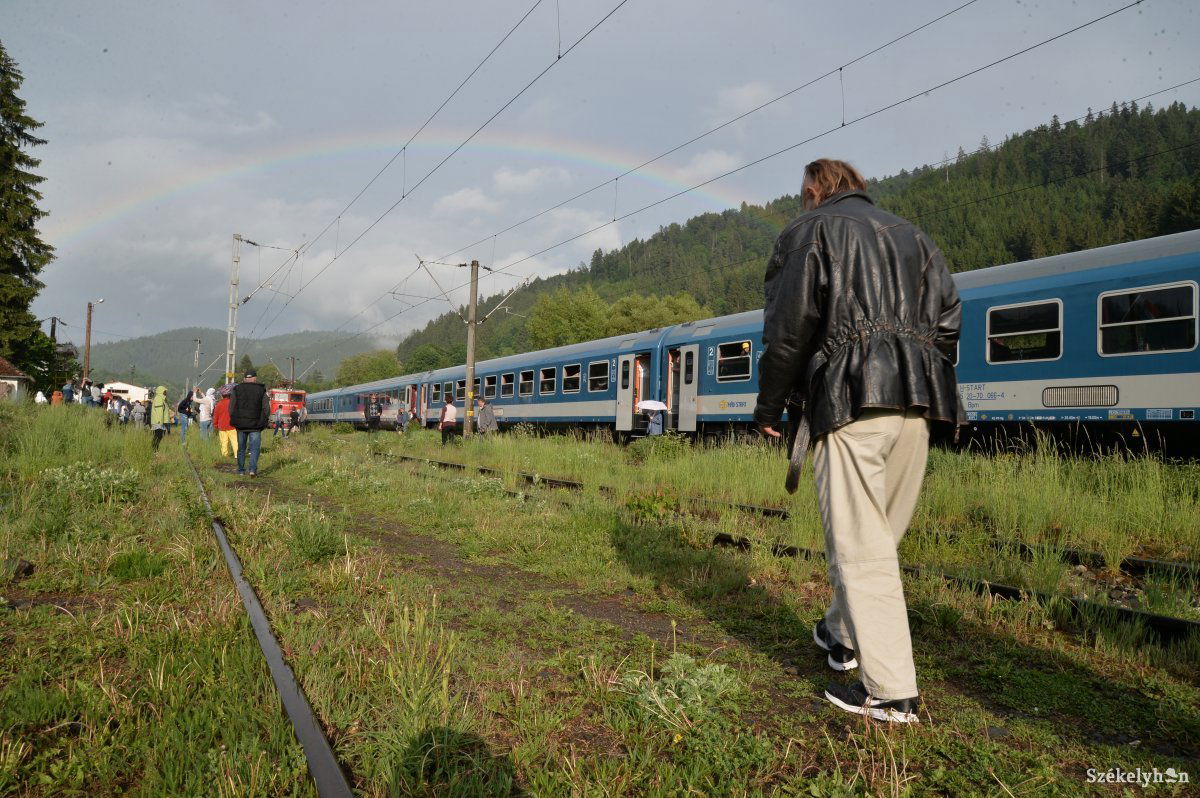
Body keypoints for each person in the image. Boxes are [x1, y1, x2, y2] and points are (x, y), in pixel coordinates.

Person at [754, 158, 961, 724]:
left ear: (816, 190)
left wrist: (771, 404)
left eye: (803, 194)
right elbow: (948, 324)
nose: (802, 203)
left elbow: (789, 328)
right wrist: (919, 371)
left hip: (851, 400)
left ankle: (891, 693)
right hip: (916, 406)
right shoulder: (916, 238)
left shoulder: (810, 231)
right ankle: (840, 636)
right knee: (878, 538)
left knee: (861, 546)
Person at [228, 369, 270, 476]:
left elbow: (231, 408)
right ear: (255, 378)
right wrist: (264, 420)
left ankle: (241, 470)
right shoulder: (261, 390)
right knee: (254, 448)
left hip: (240, 425)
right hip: (256, 425)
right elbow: (266, 408)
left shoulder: (236, 389)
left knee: (241, 448)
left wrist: (235, 418)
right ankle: (252, 470)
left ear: (244, 379)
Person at [213, 384, 238, 458]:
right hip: (232, 426)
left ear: (222, 395)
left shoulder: (218, 405)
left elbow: (215, 416)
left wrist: (215, 425)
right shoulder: (233, 403)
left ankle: (224, 455)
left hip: (222, 426)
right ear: (230, 394)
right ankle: (237, 455)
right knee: (234, 441)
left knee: (223, 442)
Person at [150, 385, 170, 451]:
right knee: (158, 436)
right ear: (161, 391)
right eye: (164, 391)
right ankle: (154, 450)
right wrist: (160, 421)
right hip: (158, 421)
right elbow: (159, 411)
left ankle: (155, 449)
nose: (166, 392)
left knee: (159, 436)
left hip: (160, 421)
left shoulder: (162, 399)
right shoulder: (158, 398)